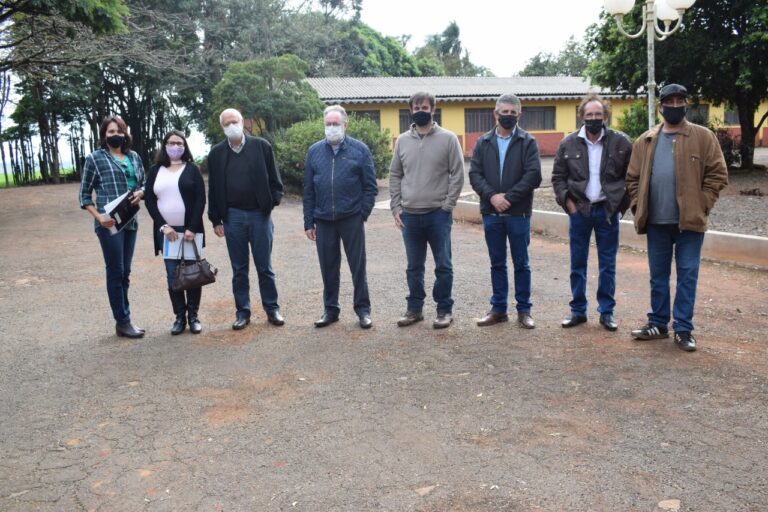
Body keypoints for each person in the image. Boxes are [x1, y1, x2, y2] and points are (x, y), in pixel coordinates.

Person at [627, 84, 728, 351]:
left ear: (686, 105)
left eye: (679, 101)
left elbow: (718, 174)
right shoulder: (646, 140)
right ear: (660, 107)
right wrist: (639, 205)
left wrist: (703, 204)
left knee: (687, 275)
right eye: (668, 101)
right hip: (656, 222)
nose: (674, 106)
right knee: (657, 276)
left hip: (690, 224)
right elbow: (633, 178)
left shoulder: (703, 137)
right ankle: (658, 323)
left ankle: (683, 329)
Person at [551, 94, 633, 332]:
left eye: (598, 115)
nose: (594, 119)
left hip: (607, 212)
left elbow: (633, 177)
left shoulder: (621, 142)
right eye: (589, 115)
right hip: (581, 211)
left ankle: (606, 312)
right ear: (582, 116)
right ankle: (578, 311)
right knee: (578, 263)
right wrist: (570, 206)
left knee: (607, 264)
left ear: (605, 115)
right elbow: (558, 177)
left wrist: (619, 207)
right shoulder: (568, 143)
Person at [390, 91, 464, 329]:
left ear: (433, 109)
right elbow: (395, 174)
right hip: (410, 216)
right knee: (414, 266)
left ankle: (444, 310)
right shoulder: (402, 140)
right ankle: (414, 310)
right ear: (410, 110)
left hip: (437, 215)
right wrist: (396, 206)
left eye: (425, 106)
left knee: (443, 264)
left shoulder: (449, 138)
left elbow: (458, 174)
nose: (420, 110)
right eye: (416, 107)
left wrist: (447, 206)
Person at [207, 108, 285, 330]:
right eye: (227, 123)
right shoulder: (216, 153)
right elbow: (213, 189)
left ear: (243, 122)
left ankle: (272, 309)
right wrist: (215, 220)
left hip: (260, 215)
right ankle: (243, 312)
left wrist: (270, 203)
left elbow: (275, 180)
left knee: (265, 267)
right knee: (239, 269)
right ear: (222, 127)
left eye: (235, 121)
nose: (231, 126)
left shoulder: (262, 147)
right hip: (233, 217)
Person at [469, 93, 542, 330]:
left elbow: (534, 175)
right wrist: (492, 197)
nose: (508, 116)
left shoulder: (527, 142)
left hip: (518, 213)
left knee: (522, 263)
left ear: (519, 115)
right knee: (497, 263)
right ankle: (499, 309)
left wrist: (507, 198)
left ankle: (524, 310)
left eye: (513, 113)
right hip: (492, 214)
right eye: (504, 112)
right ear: (495, 113)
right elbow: (475, 175)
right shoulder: (483, 142)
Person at [303, 105, 378, 329]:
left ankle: (363, 310)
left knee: (358, 266)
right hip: (323, 219)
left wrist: (362, 213)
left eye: (336, 124)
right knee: (328, 267)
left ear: (345, 125)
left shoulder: (360, 150)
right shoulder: (314, 151)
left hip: (351, 217)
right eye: (328, 124)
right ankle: (330, 310)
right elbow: (308, 190)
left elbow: (370, 187)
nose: (332, 128)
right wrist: (309, 221)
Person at [79, 115, 146, 338]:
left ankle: (123, 319)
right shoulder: (94, 159)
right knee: (115, 271)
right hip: (109, 225)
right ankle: (123, 320)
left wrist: (141, 192)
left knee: (125, 272)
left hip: (130, 222)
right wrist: (100, 218)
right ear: (103, 136)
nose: (115, 135)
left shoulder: (134, 157)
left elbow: (143, 182)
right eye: (110, 132)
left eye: (119, 131)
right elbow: (84, 195)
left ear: (125, 134)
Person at [144, 130, 206, 335]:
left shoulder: (192, 170)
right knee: (174, 276)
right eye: (171, 143)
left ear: (185, 146)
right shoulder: (155, 171)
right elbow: (150, 201)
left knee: (193, 274)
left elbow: (200, 200)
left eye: (179, 143)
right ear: (164, 146)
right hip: (167, 233)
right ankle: (180, 317)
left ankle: (194, 316)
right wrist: (164, 226)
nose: (175, 146)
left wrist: (191, 228)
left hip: (189, 232)